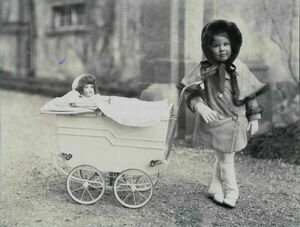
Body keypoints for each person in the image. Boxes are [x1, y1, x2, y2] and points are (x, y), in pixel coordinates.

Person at [178, 19, 268, 208]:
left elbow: (250, 93)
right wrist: (199, 106)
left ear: (233, 45)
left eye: (226, 44)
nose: (222, 49)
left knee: (224, 156)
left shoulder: (240, 67)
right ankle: (232, 190)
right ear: (208, 47)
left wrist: (254, 117)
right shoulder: (204, 68)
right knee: (225, 158)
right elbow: (189, 90)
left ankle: (215, 187)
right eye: (216, 45)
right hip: (218, 121)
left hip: (237, 121)